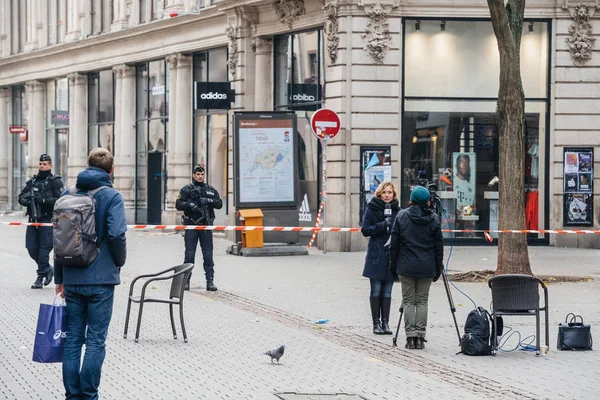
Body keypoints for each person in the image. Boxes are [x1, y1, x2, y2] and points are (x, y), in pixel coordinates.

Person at [54, 148, 127, 399]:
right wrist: (119, 262)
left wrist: (59, 278)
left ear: (87, 165)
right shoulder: (112, 196)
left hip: (72, 278)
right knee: (96, 341)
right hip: (101, 280)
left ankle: (72, 395)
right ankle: (89, 395)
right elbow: (117, 235)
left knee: (73, 339)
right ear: (111, 169)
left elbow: (59, 240)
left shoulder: (67, 194)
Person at [389, 185, 443, 350]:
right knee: (422, 301)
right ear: (427, 201)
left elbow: (394, 245)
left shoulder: (401, 216)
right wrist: (437, 269)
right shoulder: (433, 218)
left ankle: (410, 336)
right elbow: (438, 247)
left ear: (411, 199)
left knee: (408, 301)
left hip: (406, 266)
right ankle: (420, 336)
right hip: (426, 266)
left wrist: (393, 267)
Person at [17, 154, 64, 289]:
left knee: (44, 249)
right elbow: (21, 196)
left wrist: (43, 201)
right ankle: (47, 269)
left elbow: (60, 200)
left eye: (44, 164)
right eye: (40, 164)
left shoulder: (55, 181)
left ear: (50, 165)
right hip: (33, 219)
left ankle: (40, 277)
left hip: (47, 220)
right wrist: (26, 201)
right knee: (31, 247)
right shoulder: (33, 181)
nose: (42, 166)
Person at [361, 181, 400, 335]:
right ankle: (376, 324)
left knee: (388, 292)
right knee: (376, 289)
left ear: (394, 194)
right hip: (376, 255)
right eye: (384, 193)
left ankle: (386, 323)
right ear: (379, 194)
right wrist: (382, 225)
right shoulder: (372, 209)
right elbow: (365, 230)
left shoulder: (398, 210)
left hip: (392, 255)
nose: (387, 195)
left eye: (389, 192)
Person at [176, 164, 223, 291]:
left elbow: (219, 204)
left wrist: (209, 201)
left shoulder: (210, 189)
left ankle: (210, 281)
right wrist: (189, 204)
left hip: (206, 226)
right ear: (193, 175)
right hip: (192, 225)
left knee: (208, 254)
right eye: (198, 174)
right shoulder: (187, 189)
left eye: (202, 174)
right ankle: (186, 281)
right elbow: (178, 204)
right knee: (189, 254)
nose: (200, 176)